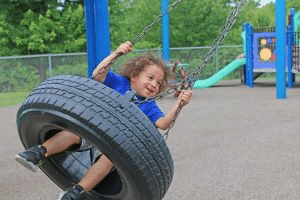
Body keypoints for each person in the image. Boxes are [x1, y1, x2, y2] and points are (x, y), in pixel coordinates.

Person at [15, 41, 192, 200]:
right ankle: (38, 153)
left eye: (159, 83)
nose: (154, 84)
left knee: (109, 160)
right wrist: (117, 54)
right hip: (91, 131)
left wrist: (179, 105)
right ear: (135, 76)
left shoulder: (149, 105)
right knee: (72, 134)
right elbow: (98, 74)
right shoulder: (119, 82)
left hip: (113, 146)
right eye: (150, 78)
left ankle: (76, 192)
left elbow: (162, 123)